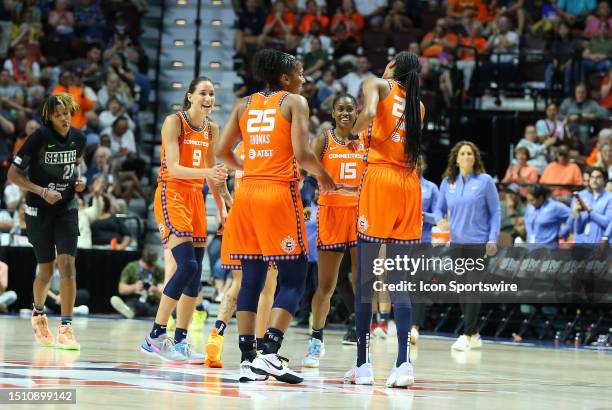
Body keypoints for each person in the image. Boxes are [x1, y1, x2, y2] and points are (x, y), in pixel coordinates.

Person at [216, 48, 335, 384]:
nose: (304, 78)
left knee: (251, 278)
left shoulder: (243, 104)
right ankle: (270, 353)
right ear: (285, 78)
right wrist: (323, 176)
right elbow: (301, 154)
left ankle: (247, 359)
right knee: (295, 275)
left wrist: (249, 169)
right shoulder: (294, 102)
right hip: (276, 194)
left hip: (247, 195)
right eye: (300, 72)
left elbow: (221, 152)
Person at [344, 51, 425, 388]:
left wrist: (352, 133)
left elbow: (370, 115)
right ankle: (403, 364)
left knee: (365, 276)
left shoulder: (376, 83)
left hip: (380, 180)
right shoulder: (418, 105)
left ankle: (363, 365)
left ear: (393, 67)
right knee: (400, 280)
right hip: (409, 184)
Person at [141, 77, 228, 364]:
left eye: (212, 93)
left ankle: (180, 341)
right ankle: (155, 335)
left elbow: (213, 174)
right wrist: (208, 175)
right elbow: (176, 168)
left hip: (196, 200)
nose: (208, 98)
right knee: (186, 264)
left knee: (195, 276)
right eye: (203, 92)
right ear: (190, 96)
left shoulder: (212, 129)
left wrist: (224, 206)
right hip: (172, 193)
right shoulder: (174, 121)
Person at [7, 94, 86, 349]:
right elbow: (13, 174)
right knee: (46, 269)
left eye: (67, 113)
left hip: (66, 207)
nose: (64, 118)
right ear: (49, 117)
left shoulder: (79, 138)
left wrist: (78, 181)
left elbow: (75, 166)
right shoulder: (39, 137)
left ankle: (66, 327)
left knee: (68, 265)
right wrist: (41, 191)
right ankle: (39, 313)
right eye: (59, 114)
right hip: (38, 208)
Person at [302, 93, 364, 368]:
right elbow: (307, 172)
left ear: (357, 112)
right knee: (326, 285)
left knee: (362, 285)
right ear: (333, 113)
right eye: (341, 109)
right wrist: (308, 199)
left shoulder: (366, 141)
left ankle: (364, 344)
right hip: (330, 214)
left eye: (350, 109)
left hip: (361, 215)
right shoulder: (324, 139)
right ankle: (316, 341)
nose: (345, 113)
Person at [205, 141, 279, 369]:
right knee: (267, 287)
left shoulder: (240, 147)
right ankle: (258, 348)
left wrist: (228, 202)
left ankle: (216, 336)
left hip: (239, 219)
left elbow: (217, 177)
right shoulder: (271, 146)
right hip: (264, 220)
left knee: (238, 284)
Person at [434, 141, 500, 352]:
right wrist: (439, 220)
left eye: (470, 153)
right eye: (462, 153)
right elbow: (438, 210)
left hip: (479, 243)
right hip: (457, 244)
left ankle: (465, 334)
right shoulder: (447, 182)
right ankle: (474, 334)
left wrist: (492, 239)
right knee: (462, 289)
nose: (466, 156)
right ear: (456, 158)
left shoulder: (485, 181)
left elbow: (496, 212)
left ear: (475, 158)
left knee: (471, 288)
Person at [411, 154, 438, 345]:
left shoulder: (431, 188)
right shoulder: (402, 182)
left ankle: (415, 327)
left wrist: (421, 215)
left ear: (425, 165)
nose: (417, 166)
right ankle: (400, 323)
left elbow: (438, 216)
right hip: (403, 241)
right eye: (414, 162)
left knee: (418, 284)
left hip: (423, 241)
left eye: (420, 163)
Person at [110, 248, 164, 318]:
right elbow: (121, 289)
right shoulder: (131, 267)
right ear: (142, 260)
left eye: (152, 266)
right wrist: (134, 287)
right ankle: (129, 311)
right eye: (148, 265)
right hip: (136, 300)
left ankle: (164, 315)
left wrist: (156, 291)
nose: (150, 268)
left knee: (161, 308)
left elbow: (164, 294)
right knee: (134, 306)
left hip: (152, 302)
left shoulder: (159, 270)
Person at [573, 167, 611, 243]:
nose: (594, 180)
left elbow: (608, 222)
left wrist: (589, 211)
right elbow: (578, 230)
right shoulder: (585, 198)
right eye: (592, 177)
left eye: (598, 177)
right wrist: (577, 215)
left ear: (605, 181)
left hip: (602, 246)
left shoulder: (610, 197)